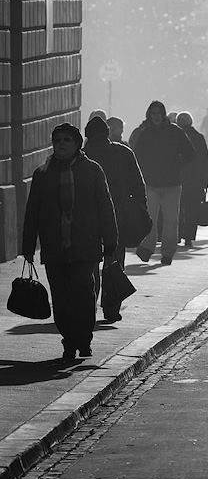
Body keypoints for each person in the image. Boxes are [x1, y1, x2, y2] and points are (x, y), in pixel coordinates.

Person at [22, 123, 118, 361]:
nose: (61, 144)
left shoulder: (92, 170)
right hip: (54, 245)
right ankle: (68, 340)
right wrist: (27, 245)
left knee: (84, 293)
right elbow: (33, 210)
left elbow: (105, 207)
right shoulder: (42, 173)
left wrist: (111, 239)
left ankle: (83, 339)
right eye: (57, 140)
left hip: (85, 245)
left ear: (77, 144)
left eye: (67, 140)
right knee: (61, 297)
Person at [83, 116, 148, 322]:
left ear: (87, 134)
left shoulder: (82, 155)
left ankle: (88, 306)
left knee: (89, 264)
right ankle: (111, 308)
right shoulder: (123, 152)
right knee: (114, 262)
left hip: (88, 218)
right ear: (107, 132)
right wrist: (140, 209)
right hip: (117, 215)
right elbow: (138, 185)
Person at [133, 100, 196, 265]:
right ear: (149, 115)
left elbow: (190, 152)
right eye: (153, 114)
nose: (156, 117)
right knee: (150, 218)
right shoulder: (145, 134)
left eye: (158, 113)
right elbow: (137, 156)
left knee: (170, 220)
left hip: (171, 184)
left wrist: (176, 164)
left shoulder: (175, 132)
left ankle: (167, 253)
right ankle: (147, 248)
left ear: (163, 114)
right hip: (152, 183)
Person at [176, 111, 208, 246]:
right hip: (196, 180)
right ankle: (189, 237)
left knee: (178, 208)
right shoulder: (199, 137)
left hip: (178, 178)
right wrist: (206, 180)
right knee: (192, 209)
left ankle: (178, 234)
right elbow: (204, 160)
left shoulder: (175, 137)